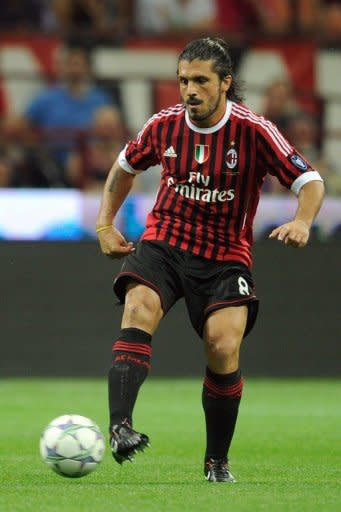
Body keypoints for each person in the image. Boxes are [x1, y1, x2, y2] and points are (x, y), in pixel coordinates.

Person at [96, 37, 324, 483]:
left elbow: (310, 180)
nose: (189, 90)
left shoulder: (254, 130)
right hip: (165, 241)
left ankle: (216, 461)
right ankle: (120, 426)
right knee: (138, 307)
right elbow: (124, 167)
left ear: (225, 83)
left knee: (222, 346)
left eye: (200, 80)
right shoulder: (163, 125)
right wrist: (106, 225)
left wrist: (303, 220)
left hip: (225, 255)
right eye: (183, 80)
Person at [23, 46, 112, 186]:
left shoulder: (101, 100)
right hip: (52, 162)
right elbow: (25, 126)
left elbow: (111, 133)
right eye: (70, 64)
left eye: (78, 64)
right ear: (63, 67)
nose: (74, 69)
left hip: (94, 162)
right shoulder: (46, 99)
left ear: (88, 68)